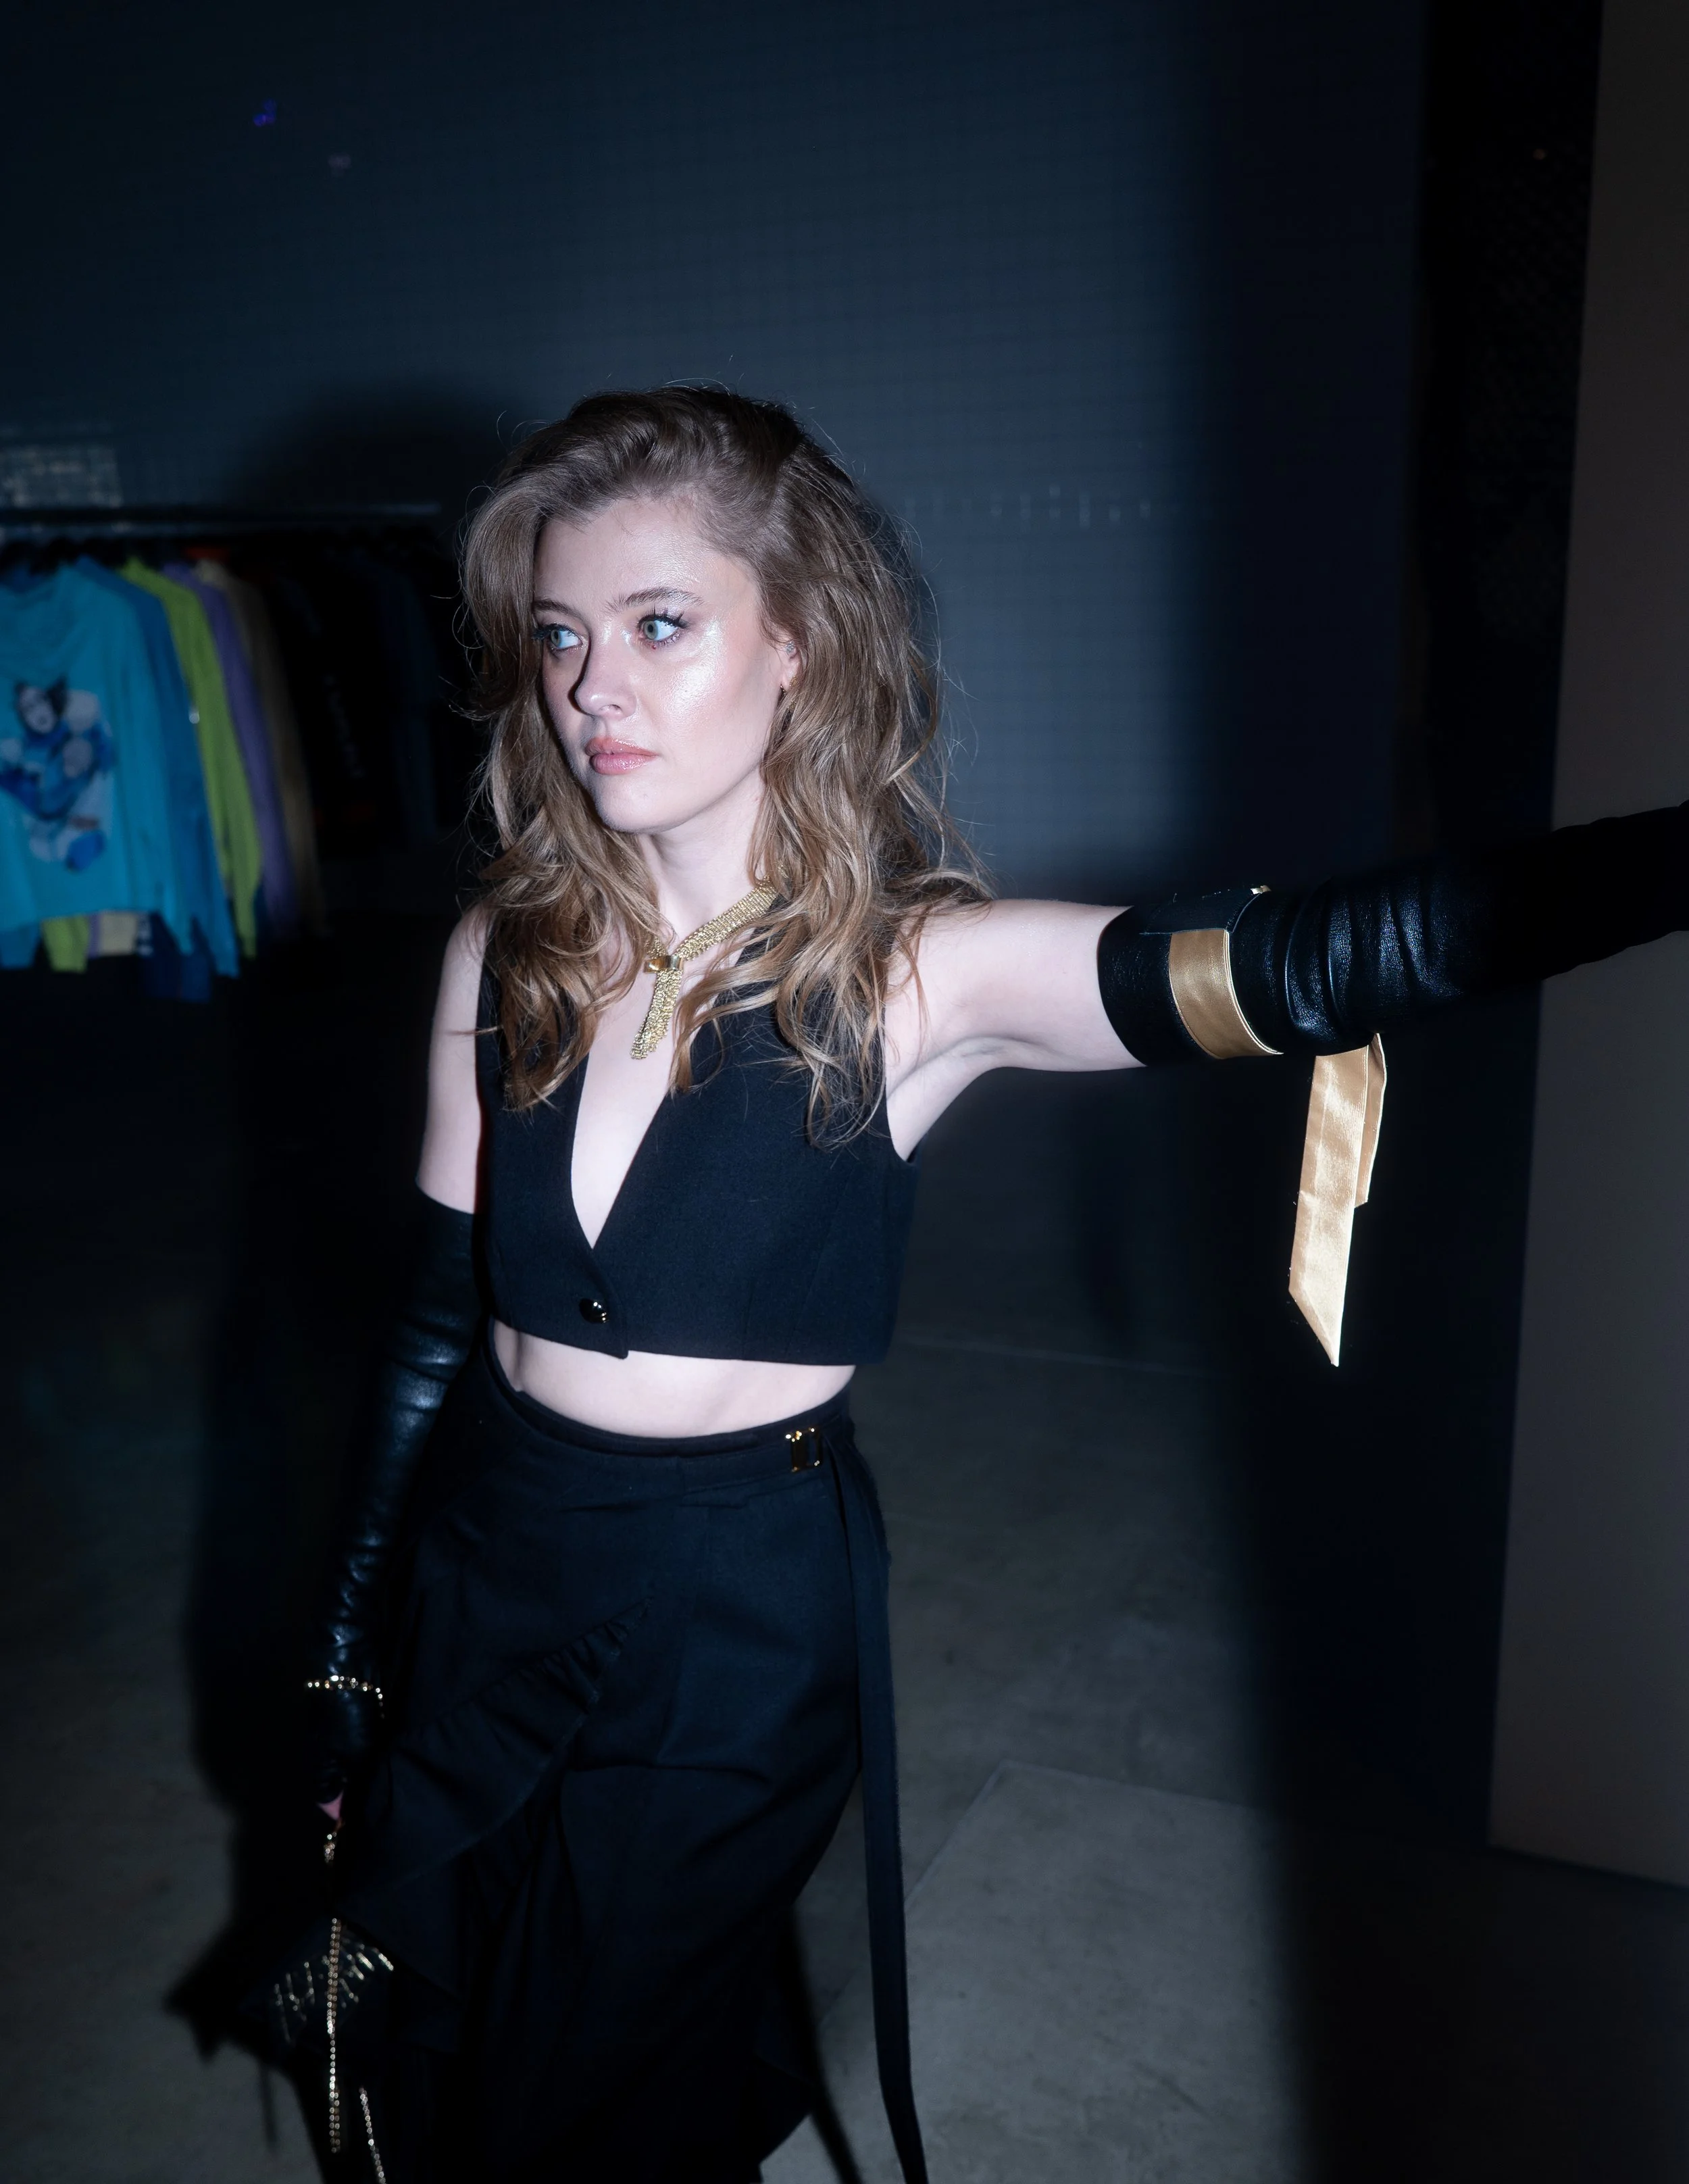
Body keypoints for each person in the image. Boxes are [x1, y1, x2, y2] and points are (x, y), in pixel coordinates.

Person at [283, 387, 1689, 2184]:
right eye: (556, 636)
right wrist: (342, 1668)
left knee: (588, 2078)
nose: (590, 689)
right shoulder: (512, 950)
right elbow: (426, 1340)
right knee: (454, 1992)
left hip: (728, 1607)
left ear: (797, 649)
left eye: (658, 626)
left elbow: (1321, 955)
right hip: (493, 1548)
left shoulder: (915, 978)